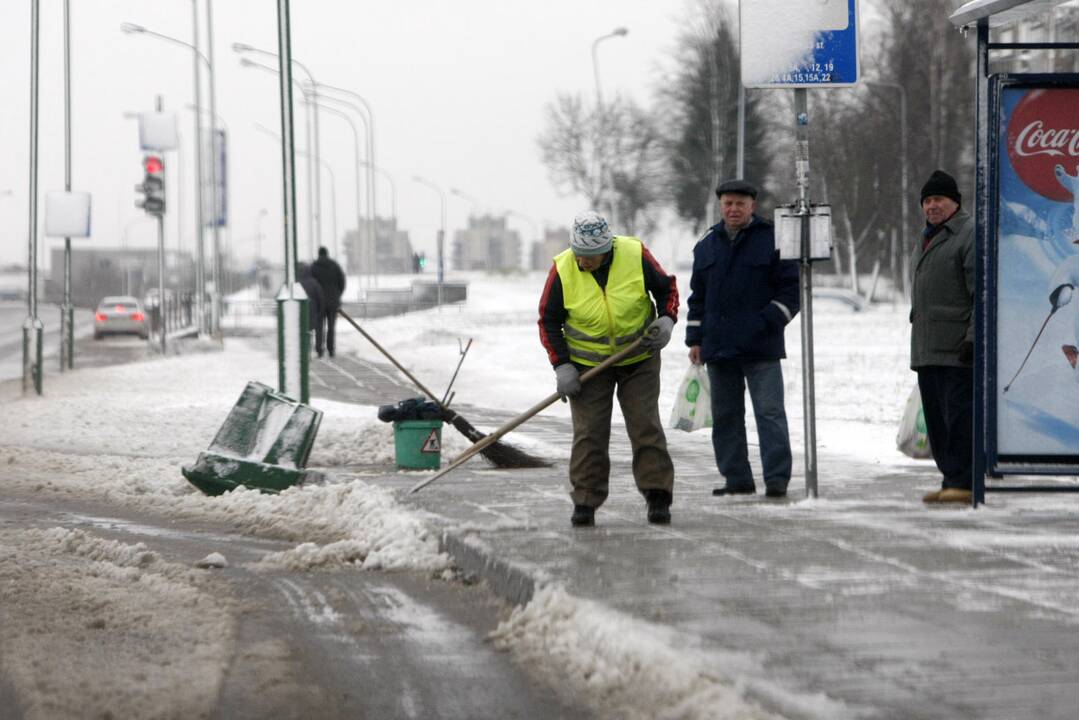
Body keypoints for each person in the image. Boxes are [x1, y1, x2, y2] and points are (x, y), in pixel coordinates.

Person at [538, 210, 679, 527]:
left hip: (638, 357)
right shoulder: (562, 269)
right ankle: (585, 501)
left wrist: (667, 319)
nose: (584, 262)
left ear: (608, 249)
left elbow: (667, 289)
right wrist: (562, 367)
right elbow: (548, 320)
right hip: (588, 366)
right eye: (580, 255)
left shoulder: (634, 253)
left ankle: (658, 496)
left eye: (591, 256)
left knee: (645, 426)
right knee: (589, 434)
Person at [685, 180, 799, 498]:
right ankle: (737, 478)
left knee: (770, 413)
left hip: (761, 347)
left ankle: (777, 479)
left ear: (752, 206)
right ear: (720, 206)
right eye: (727, 203)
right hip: (719, 348)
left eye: (740, 203)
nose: (733, 209)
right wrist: (695, 339)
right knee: (726, 417)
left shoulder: (775, 239)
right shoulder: (706, 245)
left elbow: (791, 293)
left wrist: (767, 323)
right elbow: (698, 298)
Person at [911, 170, 975, 504]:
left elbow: (981, 293)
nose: (933, 206)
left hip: (958, 350)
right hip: (927, 348)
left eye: (939, 199)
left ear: (955, 202)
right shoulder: (928, 236)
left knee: (959, 420)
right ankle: (951, 479)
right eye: (928, 200)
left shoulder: (968, 234)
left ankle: (963, 481)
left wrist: (973, 338)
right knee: (938, 422)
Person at [311, 246, 346, 358]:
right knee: (331, 326)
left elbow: (312, 284)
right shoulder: (334, 266)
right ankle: (331, 349)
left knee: (319, 326)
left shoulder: (314, 267)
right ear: (327, 253)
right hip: (333, 301)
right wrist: (337, 295)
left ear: (318, 254)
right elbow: (342, 282)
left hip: (319, 302)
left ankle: (319, 349)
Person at [297, 262, 325, 357]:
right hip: (313, 310)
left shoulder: (296, 283)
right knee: (318, 330)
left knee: (303, 331)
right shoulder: (314, 283)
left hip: (300, 311)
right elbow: (320, 297)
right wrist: (321, 310)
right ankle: (319, 349)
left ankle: (305, 350)